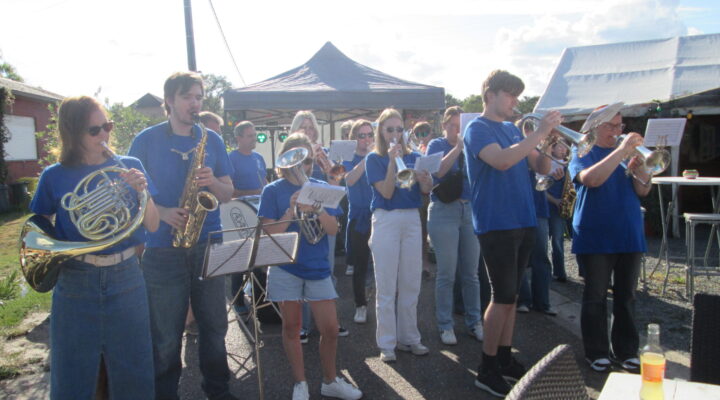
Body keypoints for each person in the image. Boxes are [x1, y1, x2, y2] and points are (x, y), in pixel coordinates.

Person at [31, 96, 159, 399]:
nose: (104, 135)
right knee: (71, 373)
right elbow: (38, 228)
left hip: (126, 276)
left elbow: (153, 225)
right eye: (94, 130)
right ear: (73, 133)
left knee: (135, 370)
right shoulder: (54, 176)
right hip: (76, 278)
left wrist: (142, 192)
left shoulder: (129, 166)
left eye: (108, 126)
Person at [128, 72, 237, 400]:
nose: (195, 103)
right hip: (162, 249)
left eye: (199, 97)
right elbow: (129, 196)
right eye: (188, 96)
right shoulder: (145, 141)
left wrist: (212, 182)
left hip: (209, 243)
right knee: (165, 336)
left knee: (215, 327)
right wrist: (161, 212)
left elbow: (228, 193)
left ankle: (218, 392)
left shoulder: (212, 139)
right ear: (169, 101)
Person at [464, 70, 559, 397]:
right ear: (490, 95)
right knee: (501, 296)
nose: (515, 102)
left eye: (517, 96)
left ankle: (504, 358)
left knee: (512, 297)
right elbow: (502, 161)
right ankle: (487, 367)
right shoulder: (477, 128)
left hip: (523, 218)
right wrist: (539, 132)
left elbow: (541, 167)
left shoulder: (511, 129)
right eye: (510, 95)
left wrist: (546, 142)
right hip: (497, 222)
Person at [258, 132, 362, 400]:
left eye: (306, 160)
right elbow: (269, 232)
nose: (302, 166)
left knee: (330, 329)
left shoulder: (321, 186)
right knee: (291, 327)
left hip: (316, 266)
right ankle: (300, 383)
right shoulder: (273, 190)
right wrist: (290, 210)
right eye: (295, 158)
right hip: (286, 266)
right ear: (284, 159)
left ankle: (330, 381)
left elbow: (332, 230)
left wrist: (317, 209)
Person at [569, 105, 651, 373]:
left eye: (620, 126)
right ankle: (596, 351)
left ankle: (627, 350)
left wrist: (642, 168)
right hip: (596, 232)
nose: (617, 131)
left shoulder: (626, 154)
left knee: (627, 297)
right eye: (611, 126)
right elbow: (591, 180)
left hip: (628, 231)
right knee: (595, 296)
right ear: (595, 128)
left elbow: (643, 190)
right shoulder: (582, 150)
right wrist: (622, 152)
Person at [366, 107, 433, 362]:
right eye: (390, 129)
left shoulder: (415, 156)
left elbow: (426, 191)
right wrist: (393, 161)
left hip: (412, 219)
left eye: (399, 129)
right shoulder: (374, 159)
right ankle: (387, 344)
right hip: (386, 219)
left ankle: (410, 338)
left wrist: (425, 179)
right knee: (386, 285)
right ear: (381, 132)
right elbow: (386, 192)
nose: (395, 134)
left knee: (411, 282)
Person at [289, 110, 348, 342]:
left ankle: (331, 321)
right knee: (301, 270)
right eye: (303, 127)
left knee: (327, 269)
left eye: (311, 127)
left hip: (324, 215)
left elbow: (337, 180)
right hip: (300, 217)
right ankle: (303, 325)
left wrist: (326, 163)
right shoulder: (291, 155)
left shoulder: (321, 151)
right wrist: (305, 159)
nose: (308, 131)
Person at [426, 106, 483, 345]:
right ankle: (445, 324)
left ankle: (475, 322)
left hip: (470, 210)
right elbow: (437, 171)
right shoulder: (436, 145)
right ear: (444, 126)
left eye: (461, 126)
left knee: (471, 273)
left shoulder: (474, 145)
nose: (457, 130)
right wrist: (458, 148)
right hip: (443, 210)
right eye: (452, 126)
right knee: (446, 273)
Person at [229, 120, 268, 314]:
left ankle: (259, 298)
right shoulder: (231, 158)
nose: (255, 139)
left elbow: (265, 182)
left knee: (260, 254)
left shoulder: (259, 157)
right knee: (240, 256)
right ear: (239, 138)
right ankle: (237, 300)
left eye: (254, 135)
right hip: (240, 211)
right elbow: (229, 190)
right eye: (250, 135)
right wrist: (255, 191)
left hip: (259, 210)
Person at [342, 119, 374, 324]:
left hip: (379, 215)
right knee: (360, 265)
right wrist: (368, 158)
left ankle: (379, 302)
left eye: (370, 135)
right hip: (358, 217)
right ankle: (360, 305)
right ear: (354, 138)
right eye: (362, 136)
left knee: (382, 264)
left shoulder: (378, 155)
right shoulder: (348, 156)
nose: (367, 139)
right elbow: (349, 179)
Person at [517, 170, 558, 316]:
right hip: (518, 209)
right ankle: (523, 300)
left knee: (541, 258)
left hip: (539, 209)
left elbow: (545, 180)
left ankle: (542, 303)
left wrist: (553, 176)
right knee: (520, 258)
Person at [545, 143, 570, 282]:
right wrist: (555, 200)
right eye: (559, 146)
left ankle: (560, 272)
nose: (563, 149)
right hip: (547, 205)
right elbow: (541, 188)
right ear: (552, 148)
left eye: (564, 146)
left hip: (561, 207)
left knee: (558, 240)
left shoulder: (568, 164)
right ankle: (545, 271)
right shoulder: (546, 163)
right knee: (544, 241)